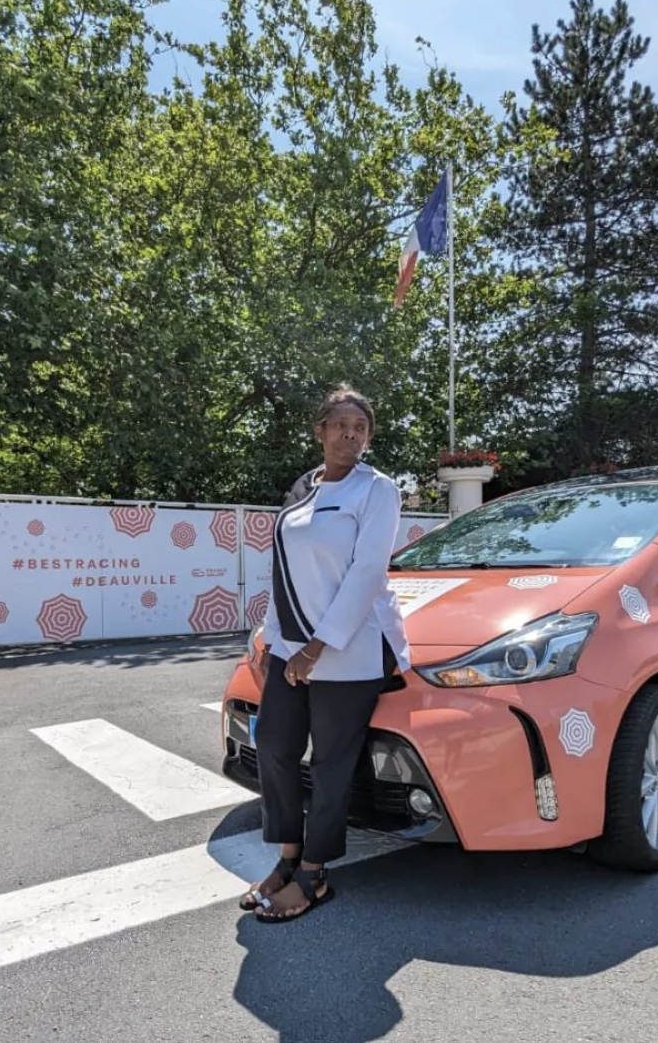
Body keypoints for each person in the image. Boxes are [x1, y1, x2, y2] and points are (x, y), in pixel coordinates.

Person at [240, 385, 410, 923]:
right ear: (319, 431)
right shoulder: (302, 490)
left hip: (353, 646)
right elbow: (286, 573)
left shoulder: (377, 490)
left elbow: (367, 574)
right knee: (272, 742)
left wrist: (318, 646)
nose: (350, 435)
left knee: (333, 760)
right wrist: (276, 637)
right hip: (292, 645)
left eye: (360, 428)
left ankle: (313, 872)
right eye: (340, 425)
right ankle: (287, 855)